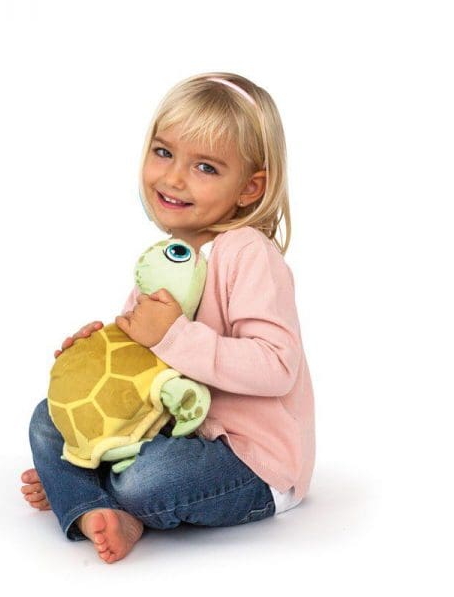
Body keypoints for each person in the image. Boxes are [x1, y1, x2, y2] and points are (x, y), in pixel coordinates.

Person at [20, 72, 315, 564]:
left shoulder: (249, 254)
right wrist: (102, 349)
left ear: (249, 188)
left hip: (249, 461)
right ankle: (93, 506)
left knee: (147, 478)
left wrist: (173, 336)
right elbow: (142, 356)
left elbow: (277, 365)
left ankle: (84, 489)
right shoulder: (163, 260)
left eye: (205, 167)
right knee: (49, 417)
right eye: (163, 153)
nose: (174, 178)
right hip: (170, 431)